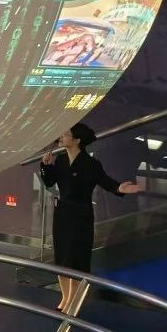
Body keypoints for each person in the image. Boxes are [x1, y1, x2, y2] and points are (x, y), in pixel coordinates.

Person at [39, 123, 144, 312]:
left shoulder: (90, 164)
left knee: (76, 260)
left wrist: (120, 188)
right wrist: (45, 167)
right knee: (62, 258)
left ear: (77, 140)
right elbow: (49, 181)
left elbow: (106, 182)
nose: (61, 137)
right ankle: (65, 299)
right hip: (62, 214)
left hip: (80, 217)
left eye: (66, 134)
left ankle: (73, 302)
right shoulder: (61, 160)